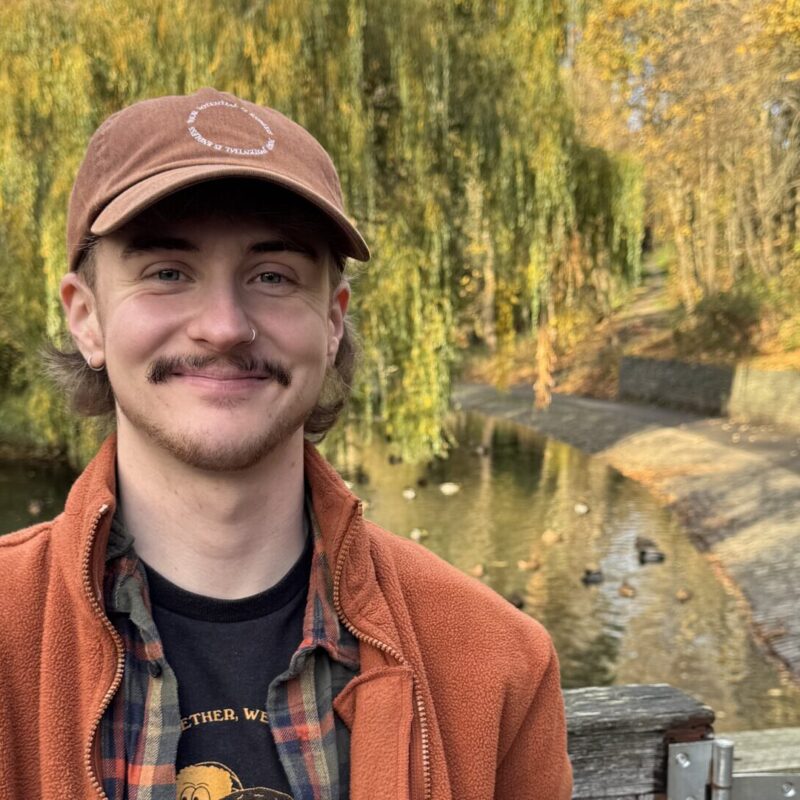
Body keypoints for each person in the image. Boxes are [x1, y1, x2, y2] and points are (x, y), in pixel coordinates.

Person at [0, 88, 572, 800]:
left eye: (273, 277)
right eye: (168, 273)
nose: (224, 325)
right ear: (86, 320)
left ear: (332, 324)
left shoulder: (496, 662)